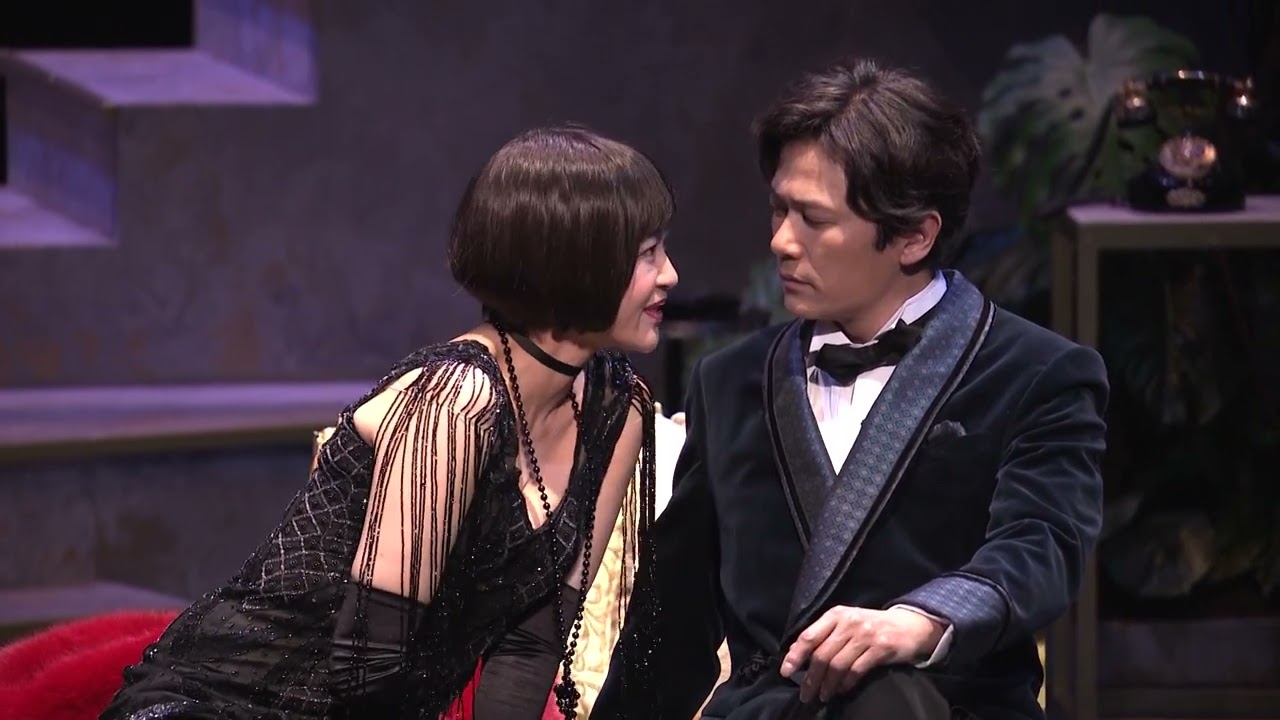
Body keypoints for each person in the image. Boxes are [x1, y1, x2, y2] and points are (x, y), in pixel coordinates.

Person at [101, 125, 679, 720]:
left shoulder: (618, 407)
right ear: (575, 263)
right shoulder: (455, 403)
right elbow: (367, 670)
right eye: (648, 254)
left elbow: (531, 649)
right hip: (227, 707)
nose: (670, 275)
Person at [595, 58, 1108, 719]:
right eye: (778, 209)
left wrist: (919, 621)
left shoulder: (1036, 373)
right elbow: (672, 622)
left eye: (813, 219)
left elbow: (1041, 544)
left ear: (914, 236)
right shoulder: (730, 383)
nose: (782, 242)